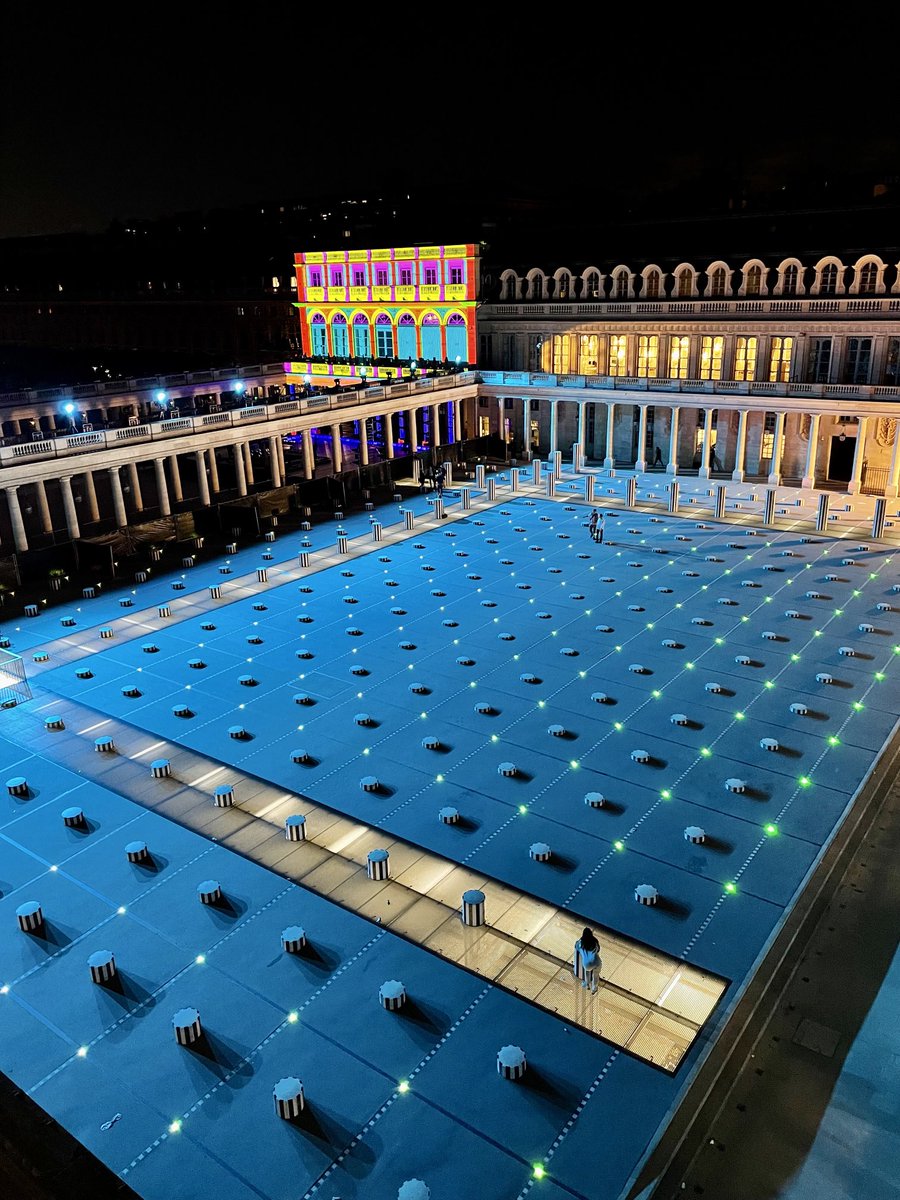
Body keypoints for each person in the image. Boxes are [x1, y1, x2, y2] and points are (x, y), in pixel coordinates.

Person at [574, 927, 602, 993]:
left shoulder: (581, 944)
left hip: (586, 964)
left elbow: (576, 946)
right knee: (596, 974)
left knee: (587, 971)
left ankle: (587, 984)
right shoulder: (595, 942)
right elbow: (598, 949)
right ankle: (594, 988)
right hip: (596, 962)